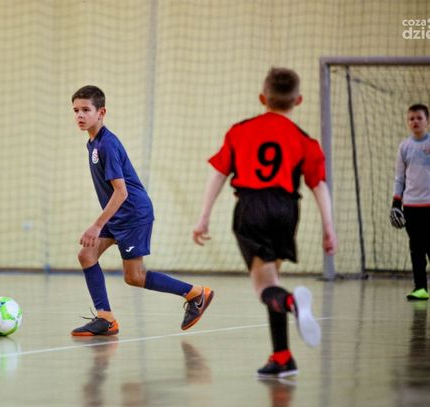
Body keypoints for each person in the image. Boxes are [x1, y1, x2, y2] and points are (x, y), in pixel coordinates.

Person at [192, 67, 337, 378]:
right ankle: (282, 356)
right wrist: (329, 228)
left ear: (262, 98)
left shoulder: (240, 131)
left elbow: (218, 174)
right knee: (272, 279)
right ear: (298, 100)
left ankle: (292, 303)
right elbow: (319, 186)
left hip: (252, 207)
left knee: (265, 289)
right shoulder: (305, 140)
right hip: (286, 209)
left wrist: (203, 217)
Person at [70, 85, 214, 336]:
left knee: (134, 276)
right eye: (75, 111)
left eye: (86, 110)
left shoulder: (107, 145)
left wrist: (97, 225)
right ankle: (105, 318)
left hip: (133, 214)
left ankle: (196, 293)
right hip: (118, 214)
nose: (80, 115)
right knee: (87, 255)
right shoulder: (92, 143)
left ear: (101, 112)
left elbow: (121, 192)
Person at [390, 104, 430, 301]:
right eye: (411, 118)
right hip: (412, 206)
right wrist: (396, 204)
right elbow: (400, 178)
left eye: (419, 118)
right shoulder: (404, 147)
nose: (415, 121)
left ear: (427, 121)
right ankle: (420, 288)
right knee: (416, 248)